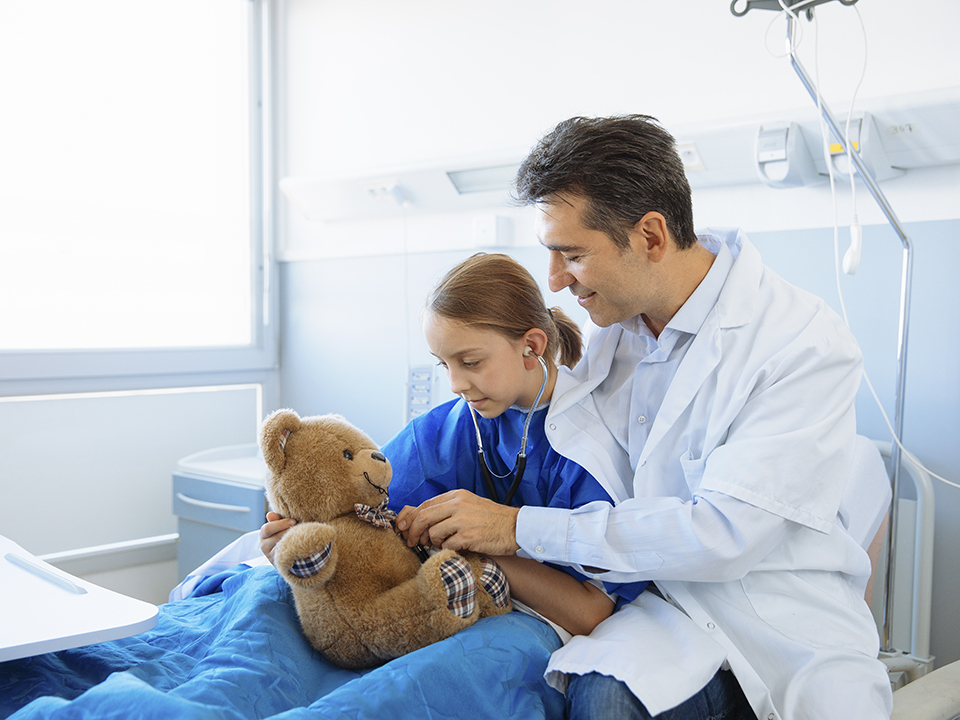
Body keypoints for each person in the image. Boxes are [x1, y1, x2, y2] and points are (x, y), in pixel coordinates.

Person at [398, 116, 894, 720]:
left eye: (572, 255)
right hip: (657, 615)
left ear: (651, 237)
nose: (555, 281)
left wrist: (516, 529)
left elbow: (722, 537)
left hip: (778, 625)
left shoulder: (801, 343)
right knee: (601, 696)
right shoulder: (608, 341)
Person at [260, 252, 645, 641]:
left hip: (514, 627)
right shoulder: (454, 426)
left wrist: (487, 542)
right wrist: (292, 537)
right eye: (444, 364)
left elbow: (592, 611)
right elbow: (353, 509)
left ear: (531, 347)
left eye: (471, 362)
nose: (455, 384)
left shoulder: (584, 449)